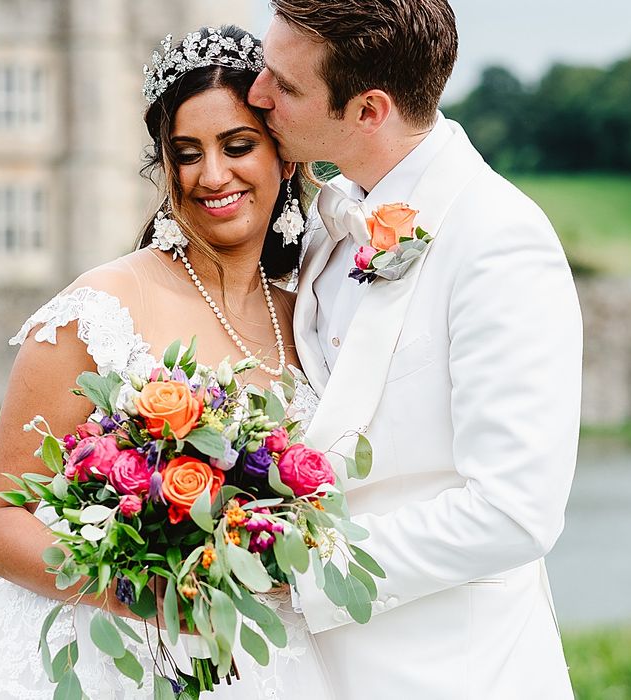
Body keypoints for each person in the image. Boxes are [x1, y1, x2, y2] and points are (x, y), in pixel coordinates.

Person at [0, 25, 332, 699]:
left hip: (263, 658)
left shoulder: (313, 313)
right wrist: (155, 597)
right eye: (187, 154)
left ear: (286, 157)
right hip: (109, 660)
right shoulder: (100, 310)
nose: (213, 175)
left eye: (237, 145)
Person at [248, 2, 582, 699]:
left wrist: (289, 570)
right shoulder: (327, 219)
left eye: (285, 84)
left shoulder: (499, 239)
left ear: (369, 109)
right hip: (307, 666)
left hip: (453, 669)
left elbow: (514, 510)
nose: (256, 94)